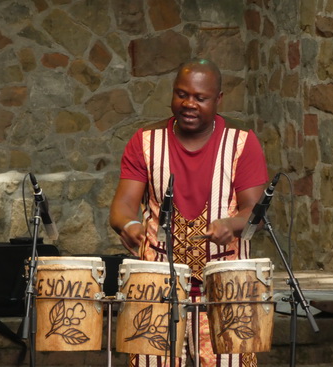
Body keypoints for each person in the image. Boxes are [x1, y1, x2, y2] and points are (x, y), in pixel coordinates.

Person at [110, 58, 268, 367]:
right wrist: (128, 224)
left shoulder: (242, 144)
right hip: (156, 286)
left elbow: (255, 211)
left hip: (226, 286)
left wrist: (234, 224)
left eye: (200, 97)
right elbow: (123, 204)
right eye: (181, 94)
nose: (188, 104)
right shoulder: (144, 143)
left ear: (218, 99)